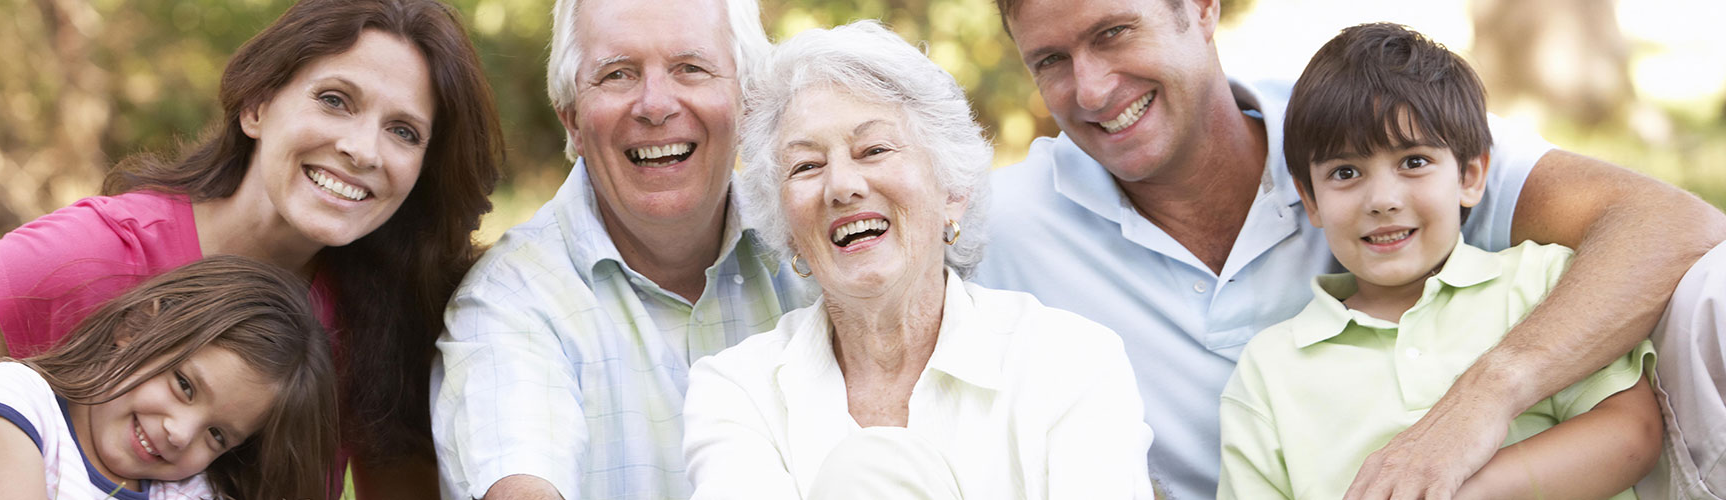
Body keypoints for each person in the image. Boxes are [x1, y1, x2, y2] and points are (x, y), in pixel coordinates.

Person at [977, 0, 1726, 497]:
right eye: (1050, 61)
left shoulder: (1367, 125)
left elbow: (1669, 224)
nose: (1094, 87)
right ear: (1310, 196)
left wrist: (1477, 406)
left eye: (1114, 32)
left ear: (1202, 9)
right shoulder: (997, 226)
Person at [0, 0, 503, 497]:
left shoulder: (383, 310)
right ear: (257, 105)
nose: (361, 150)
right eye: (335, 100)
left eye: (405, 132)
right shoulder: (94, 259)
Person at [680, 21, 1152, 499]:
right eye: (807, 166)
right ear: (787, 226)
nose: (842, 185)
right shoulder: (737, 391)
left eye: (874, 150)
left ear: (953, 190)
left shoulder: (1070, 362)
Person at [1216, 23, 1660, 499]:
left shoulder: (1540, 285)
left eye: (1413, 162)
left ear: (1470, 175)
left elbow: (1631, 436)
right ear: (1311, 201)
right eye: (1346, 172)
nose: (1382, 199)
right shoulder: (1271, 369)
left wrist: (1452, 487)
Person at [429, 0, 812, 498]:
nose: (655, 105)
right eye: (618, 75)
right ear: (571, 119)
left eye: (690, 68)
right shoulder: (508, 302)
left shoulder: (818, 256)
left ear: (748, 101)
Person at [0, 255, 336, 500]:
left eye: (218, 435)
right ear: (134, 326)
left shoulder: (189, 490)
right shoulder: (16, 407)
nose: (180, 433)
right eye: (184, 386)